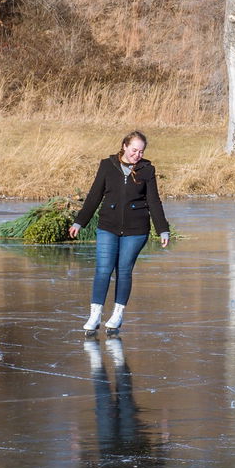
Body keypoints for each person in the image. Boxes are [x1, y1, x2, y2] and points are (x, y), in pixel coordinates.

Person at [69, 131, 170, 334]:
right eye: (134, 150)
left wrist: (163, 229)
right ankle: (95, 315)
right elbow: (94, 196)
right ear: (124, 146)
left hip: (136, 229)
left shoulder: (147, 170)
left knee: (123, 270)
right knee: (103, 269)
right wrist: (79, 222)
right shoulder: (108, 166)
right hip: (108, 226)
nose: (137, 155)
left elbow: (154, 201)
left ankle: (117, 314)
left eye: (141, 151)